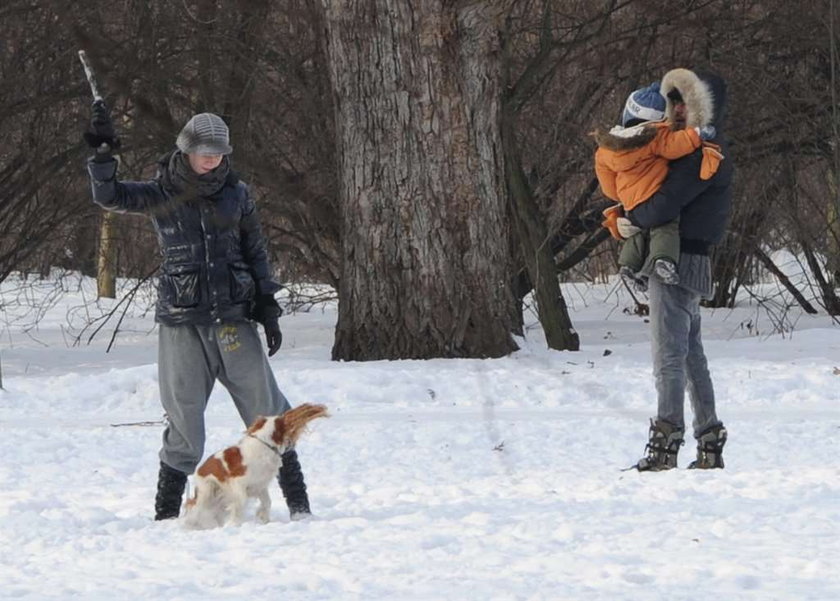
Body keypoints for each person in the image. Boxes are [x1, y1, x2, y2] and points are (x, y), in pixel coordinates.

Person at [85, 102, 314, 519]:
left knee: (268, 410)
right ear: (186, 150)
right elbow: (110, 196)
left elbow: (255, 249)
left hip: (233, 318)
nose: (213, 158)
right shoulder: (160, 192)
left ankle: (300, 507)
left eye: (219, 152)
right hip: (181, 320)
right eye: (205, 150)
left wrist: (267, 303)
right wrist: (103, 159)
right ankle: (166, 514)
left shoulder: (237, 193)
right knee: (184, 419)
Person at [615, 68, 732, 471]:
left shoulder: (703, 153)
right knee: (689, 355)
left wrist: (627, 215)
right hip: (687, 258)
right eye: (673, 100)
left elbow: (662, 205)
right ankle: (709, 439)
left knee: (668, 354)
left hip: (678, 262)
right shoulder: (697, 150)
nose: (675, 109)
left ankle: (665, 445)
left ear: (701, 105)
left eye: (683, 101)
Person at [594, 82, 716, 290]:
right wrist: (698, 134)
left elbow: (607, 185)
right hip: (653, 195)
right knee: (664, 226)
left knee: (638, 231)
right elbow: (675, 146)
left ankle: (628, 264)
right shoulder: (654, 136)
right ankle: (664, 260)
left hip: (630, 203)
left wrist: (622, 199)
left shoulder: (607, 149)